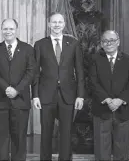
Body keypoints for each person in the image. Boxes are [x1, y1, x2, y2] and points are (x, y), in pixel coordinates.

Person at [32, 12, 85, 160]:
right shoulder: (40, 44)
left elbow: (80, 71)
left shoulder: (73, 43)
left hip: (68, 95)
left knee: (66, 133)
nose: (57, 25)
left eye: (59, 22)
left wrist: (80, 95)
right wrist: (35, 95)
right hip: (46, 94)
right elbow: (35, 72)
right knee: (46, 133)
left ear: (64, 24)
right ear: (49, 24)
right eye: (54, 22)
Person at [0, 19, 36, 161]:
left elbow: (31, 72)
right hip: (0, 101)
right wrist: (6, 88)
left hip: (20, 100)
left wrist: (17, 90)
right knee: (2, 139)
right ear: (1, 30)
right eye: (5, 29)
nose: (8, 31)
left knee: (19, 139)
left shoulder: (28, 49)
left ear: (16, 29)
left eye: (11, 28)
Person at [90, 30, 129, 161]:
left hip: (123, 109)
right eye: (105, 41)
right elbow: (93, 82)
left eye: (111, 40)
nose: (108, 43)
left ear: (118, 42)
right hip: (102, 108)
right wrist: (107, 100)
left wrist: (120, 100)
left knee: (121, 148)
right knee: (101, 149)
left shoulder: (128, 59)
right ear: (101, 44)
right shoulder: (95, 59)